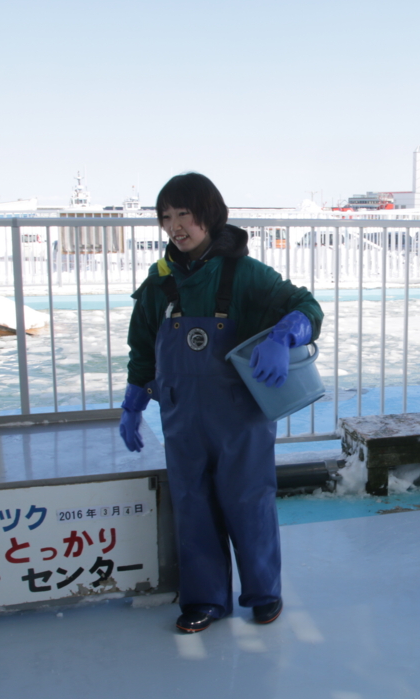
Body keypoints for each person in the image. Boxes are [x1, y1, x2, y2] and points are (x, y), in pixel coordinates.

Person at [118, 173, 322, 634]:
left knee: (249, 500)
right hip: (181, 414)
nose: (175, 226)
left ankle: (264, 592)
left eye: (183, 215)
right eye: (166, 217)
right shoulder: (159, 282)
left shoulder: (245, 274)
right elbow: (143, 346)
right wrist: (134, 399)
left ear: (208, 215)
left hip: (239, 415)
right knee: (192, 504)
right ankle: (206, 600)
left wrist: (283, 334)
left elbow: (307, 306)